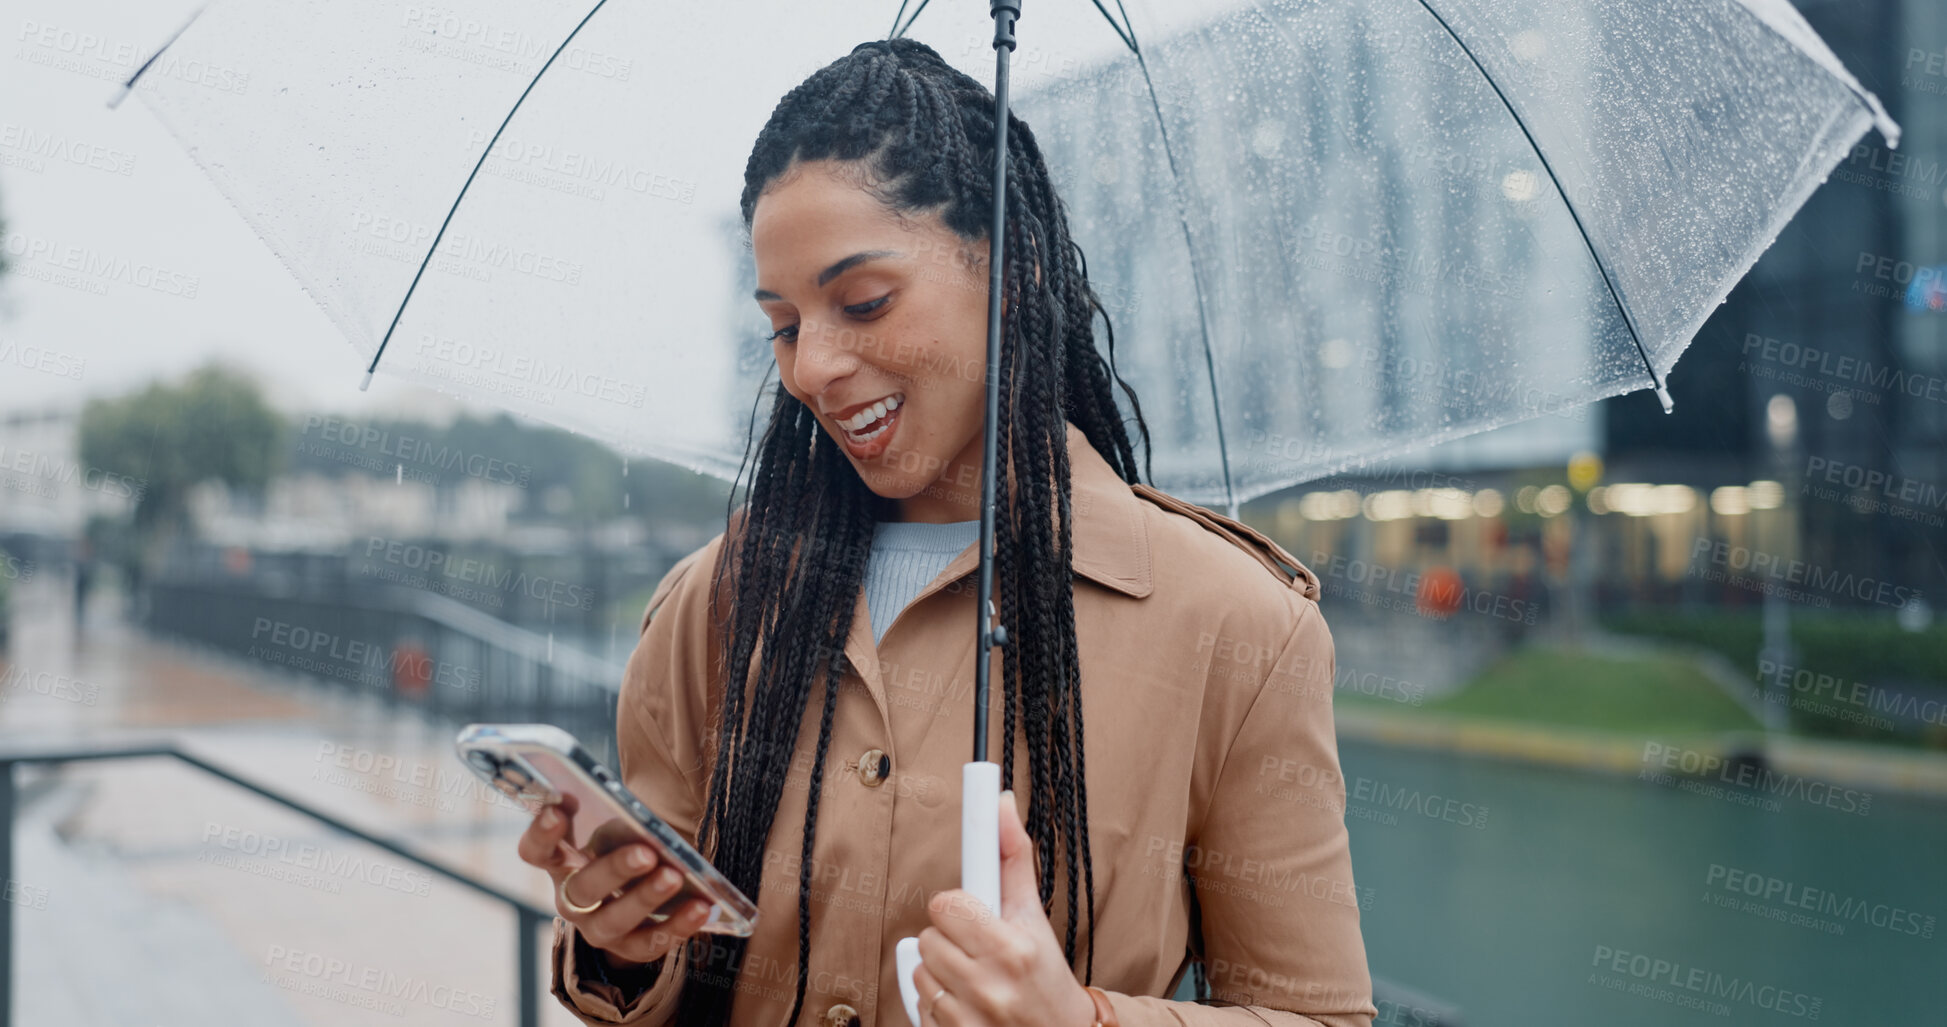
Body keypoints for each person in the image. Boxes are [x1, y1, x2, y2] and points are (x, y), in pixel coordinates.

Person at [519, 37, 1374, 1027]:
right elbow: (650, 984)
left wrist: (1081, 1018)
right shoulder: (716, 600)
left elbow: (1318, 1016)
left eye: (864, 301)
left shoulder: (1241, 628)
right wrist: (617, 941)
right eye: (785, 325)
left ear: (1014, 269)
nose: (813, 369)